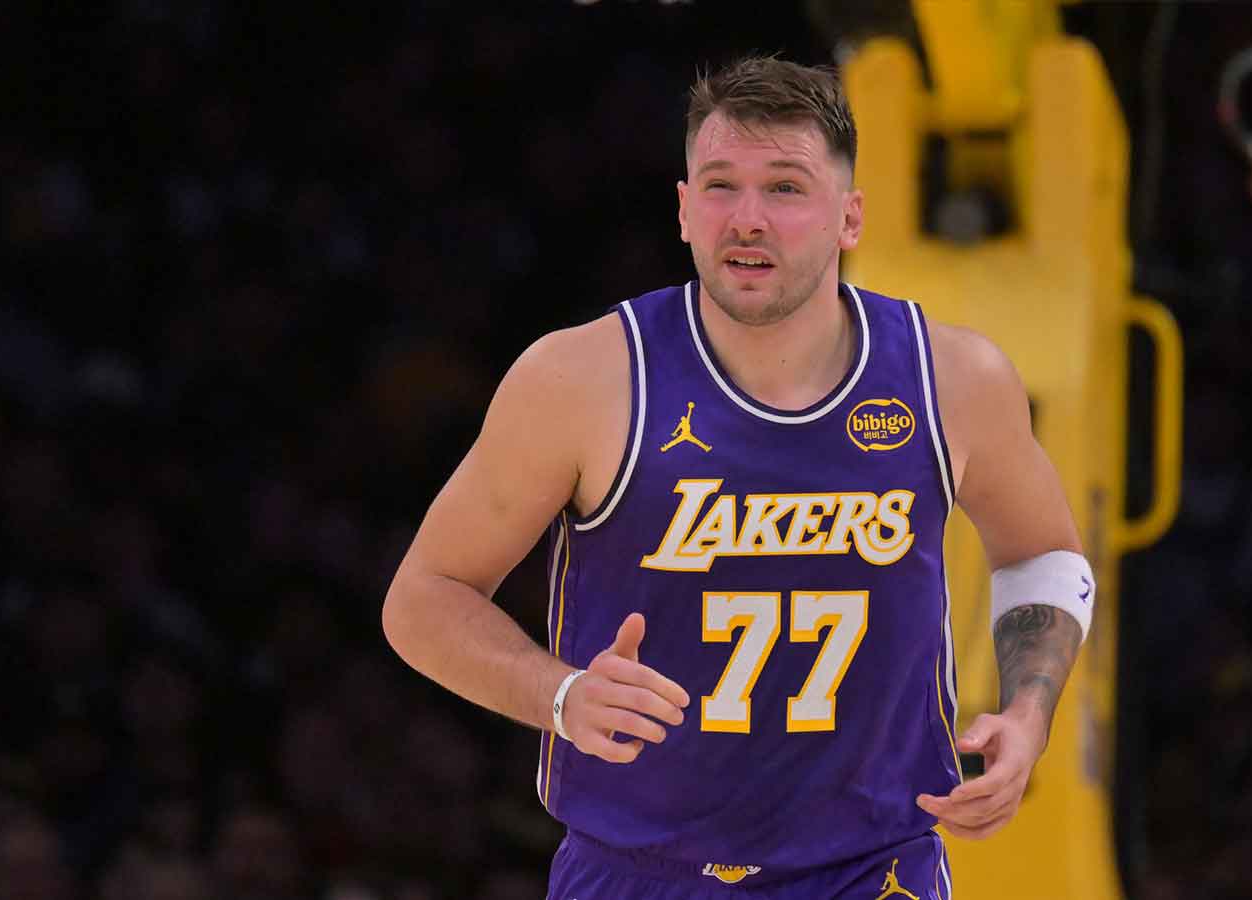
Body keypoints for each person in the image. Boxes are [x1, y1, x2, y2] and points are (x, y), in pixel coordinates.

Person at [383, 55, 1094, 899]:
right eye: (720, 186)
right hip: (640, 871)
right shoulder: (581, 379)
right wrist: (561, 693)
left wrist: (1027, 715)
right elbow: (423, 598)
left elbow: (1045, 557)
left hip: (871, 872)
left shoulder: (954, 379)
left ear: (850, 218)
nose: (747, 219)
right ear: (684, 210)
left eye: (787, 188)